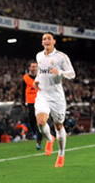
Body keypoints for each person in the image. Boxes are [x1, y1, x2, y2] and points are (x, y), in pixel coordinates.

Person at [34, 32, 75, 168]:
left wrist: (61, 73)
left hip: (57, 97)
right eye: (44, 39)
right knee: (41, 122)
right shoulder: (39, 56)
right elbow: (40, 72)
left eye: (49, 39)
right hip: (42, 95)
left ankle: (61, 153)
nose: (46, 41)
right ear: (42, 42)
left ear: (54, 41)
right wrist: (36, 80)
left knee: (58, 126)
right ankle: (50, 139)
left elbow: (72, 74)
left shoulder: (61, 57)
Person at [22, 60, 42, 149]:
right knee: (32, 119)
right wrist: (23, 101)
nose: (34, 68)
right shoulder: (25, 78)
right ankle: (35, 132)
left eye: (35, 67)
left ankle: (39, 141)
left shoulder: (41, 77)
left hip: (40, 101)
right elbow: (23, 90)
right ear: (29, 68)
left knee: (39, 121)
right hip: (30, 102)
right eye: (32, 67)